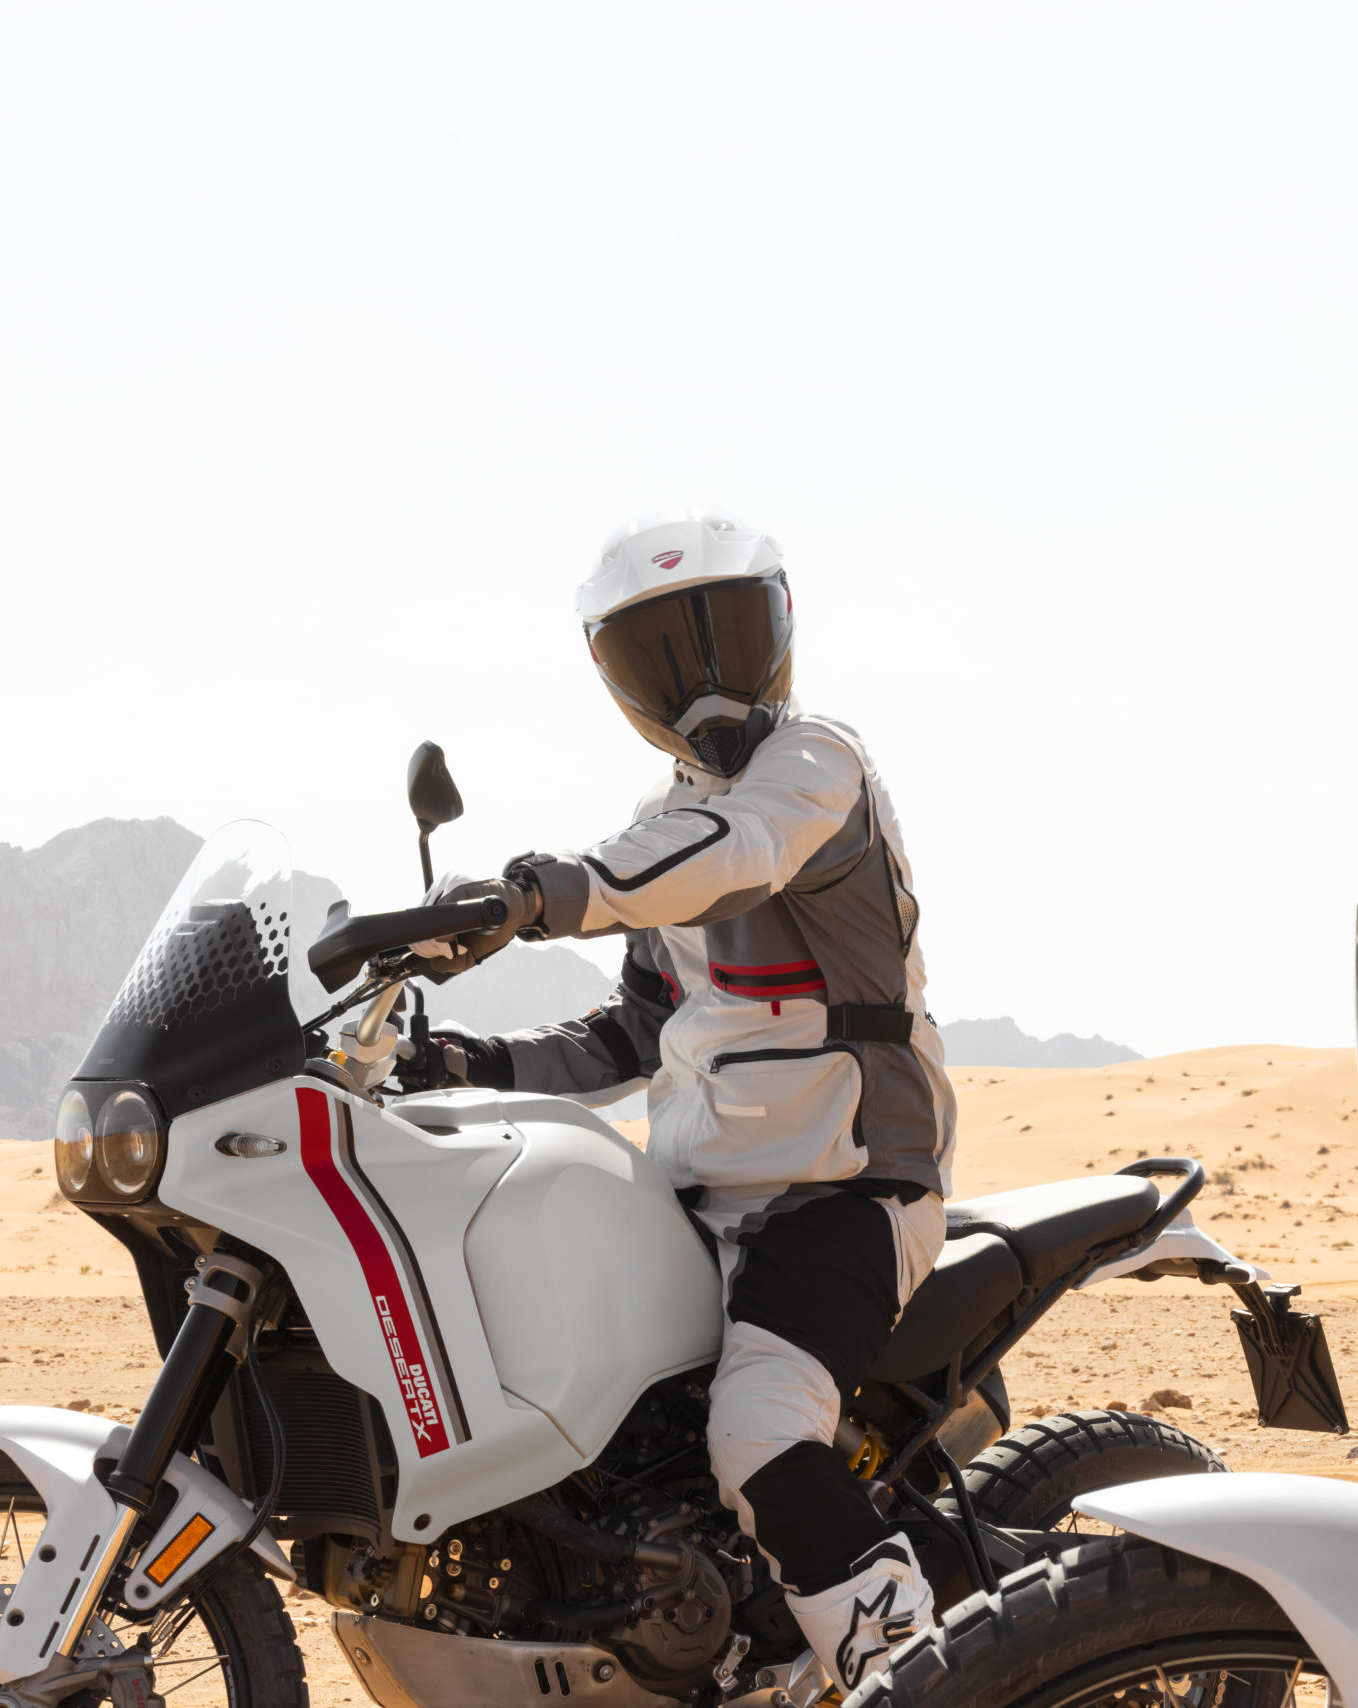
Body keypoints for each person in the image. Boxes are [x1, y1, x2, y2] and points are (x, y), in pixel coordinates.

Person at [401, 505, 957, 1693]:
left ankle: (928, 1680)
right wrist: (462, 1064)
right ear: (619, 678)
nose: (701, 678)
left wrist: (542, 892)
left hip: (844, 1188)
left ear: (783, 632)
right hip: (694, 1202)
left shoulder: (815, 766)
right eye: (664, 652)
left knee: (758, 1431)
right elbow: (628, 1032)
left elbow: (735, 852)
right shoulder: (663, 831)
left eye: (724, 636)